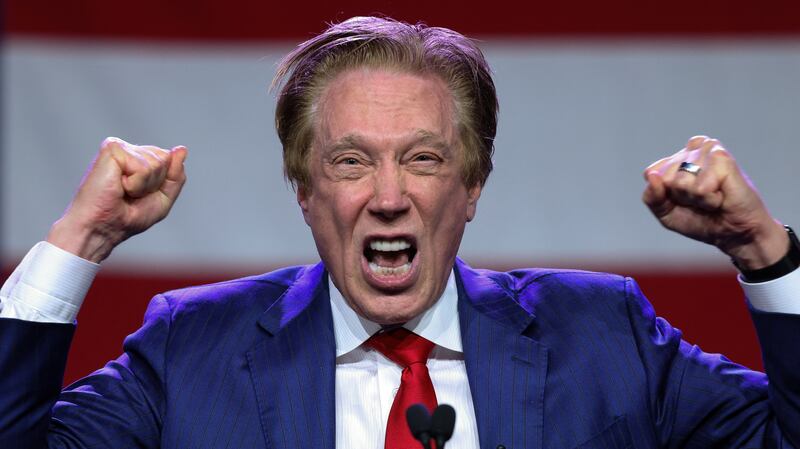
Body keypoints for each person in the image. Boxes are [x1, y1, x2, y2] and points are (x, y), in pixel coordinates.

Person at [1, 16, 798, 449]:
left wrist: (763, 252)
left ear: (473, 186)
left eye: (423, 158)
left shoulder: (603, 334)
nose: (388, 196)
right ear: (306, 192)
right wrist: (80, 241)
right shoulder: (190, 348)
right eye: (350, 162)